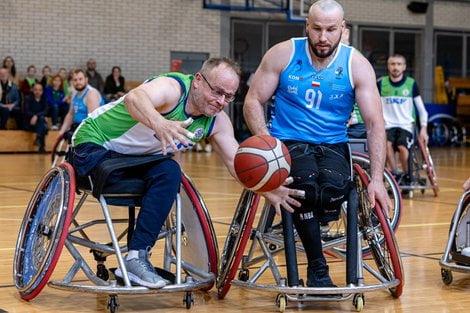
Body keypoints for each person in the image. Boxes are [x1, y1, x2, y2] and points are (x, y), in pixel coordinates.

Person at [71, 57, 303, 289]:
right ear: (198, 81)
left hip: (133, 161)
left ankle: (136, 257)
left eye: (229, 96)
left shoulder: (217, 122)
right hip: (96, 145)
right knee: (163, 169)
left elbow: (237, 164)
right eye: (217, 92)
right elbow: (134, 98)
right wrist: (160, 124)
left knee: (171, 171)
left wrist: (268, 189)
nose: (221, 101)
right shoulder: (173, 88)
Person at [243, 0, 391, 289]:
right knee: (304, 188)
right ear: (307, 26)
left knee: (332, 190)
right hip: (288, 140)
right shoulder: (283, 53)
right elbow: (252, 101)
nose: (323, 38)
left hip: (333, 143)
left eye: (331, 30)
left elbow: (375, 124)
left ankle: (314, 220)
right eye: (317, 29)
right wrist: (268, 145)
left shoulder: (356, 64)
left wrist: (376, 179)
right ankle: (317, 268)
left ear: (343, 29)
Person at [379, 54, 429, 181]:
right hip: (387, 125)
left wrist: (424, 129)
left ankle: (408, 175)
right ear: (388, 66)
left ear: (404, 67)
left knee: (402, 147)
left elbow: (422, 111)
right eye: (393, 64)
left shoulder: (411, 84)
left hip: (406, 125)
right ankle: (394, 174)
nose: (396, 67)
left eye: (399, 64)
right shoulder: (381, 83)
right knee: (386, 145)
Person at [58, 69, 103, 138]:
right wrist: (62, 131)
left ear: (86, 79)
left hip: (92, 132)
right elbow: (70, 115)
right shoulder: (74, 94)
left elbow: (92, 120)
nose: (78, 82)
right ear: (72, 82)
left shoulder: (91, 94)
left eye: (80, 79)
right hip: (78, 128)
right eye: (75, 80)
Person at [24, 83, 48, 153]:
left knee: (41, 122)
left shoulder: (44, 99)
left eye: (40, 90)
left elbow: (46, 110)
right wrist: (36, 116)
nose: (38, 92)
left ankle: (38, 137)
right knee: (43, 125)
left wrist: (36, 116)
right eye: (36, 90)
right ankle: (42, 147)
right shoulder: (28, 98)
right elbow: (26, 111)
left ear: (42, 91)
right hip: (30, 123)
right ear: (32, 90)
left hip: (39, 123)